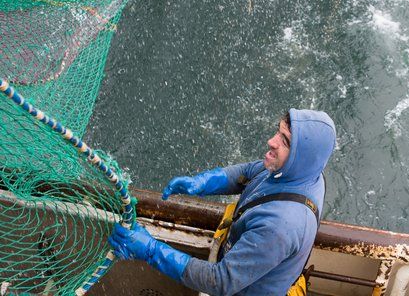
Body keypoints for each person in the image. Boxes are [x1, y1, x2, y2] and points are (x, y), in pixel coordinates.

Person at [108, 108, 336, 295]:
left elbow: (220, 281)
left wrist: (151, 250)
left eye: (285, 142)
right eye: (278, 131)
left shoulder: (280, 227)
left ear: (302, 158)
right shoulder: (305, 174)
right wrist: (202, 183)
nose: (271, 141)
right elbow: (250, 171)